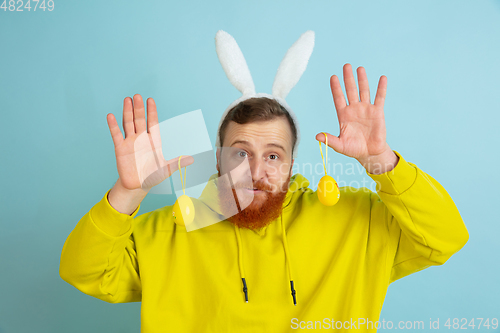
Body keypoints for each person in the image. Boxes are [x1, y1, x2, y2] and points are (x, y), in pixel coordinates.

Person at [59, 31, 469, 333]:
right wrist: (129, 191)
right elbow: (84, 271)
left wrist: (381, 161)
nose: (256, 171)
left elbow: (446, 236)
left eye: (273, 155)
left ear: (292, 162)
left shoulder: (356, 221)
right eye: (240, 153)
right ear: (216, 158)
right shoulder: (171, 228)